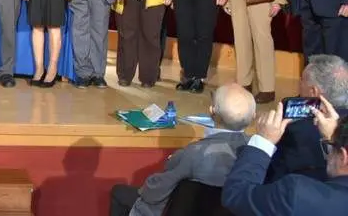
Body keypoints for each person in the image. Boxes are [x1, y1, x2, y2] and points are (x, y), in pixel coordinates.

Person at [109, 83, 255, 216]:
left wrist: (145, 188)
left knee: (119, 192)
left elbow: (157, 189)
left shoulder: (194, 154)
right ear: (254, 116)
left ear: (211, 111)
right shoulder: (260, 154)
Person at [222, 96, 348, 215]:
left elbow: (236, 195)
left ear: (343, 156)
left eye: (332, 149)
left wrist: (264, 141)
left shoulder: (296, 194)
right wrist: (334, 138)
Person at [266, 54, 348, 182]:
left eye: (301, 80)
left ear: (313, 92)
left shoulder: (295, 130)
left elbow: (274, 172)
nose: (299, 83)